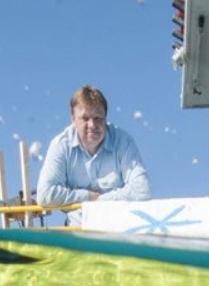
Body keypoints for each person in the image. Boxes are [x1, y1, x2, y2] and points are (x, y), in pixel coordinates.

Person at [36, 85, 151, 224]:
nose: (92, 124)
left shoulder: (123, 142)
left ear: (106, 118)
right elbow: (45, 194)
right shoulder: (60, 145)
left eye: (98, 118)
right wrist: (88, 196)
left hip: (119, 228)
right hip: (77, 230)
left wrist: (99, 201)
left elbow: (143, 191)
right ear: (73, 120)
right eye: (85, 118)